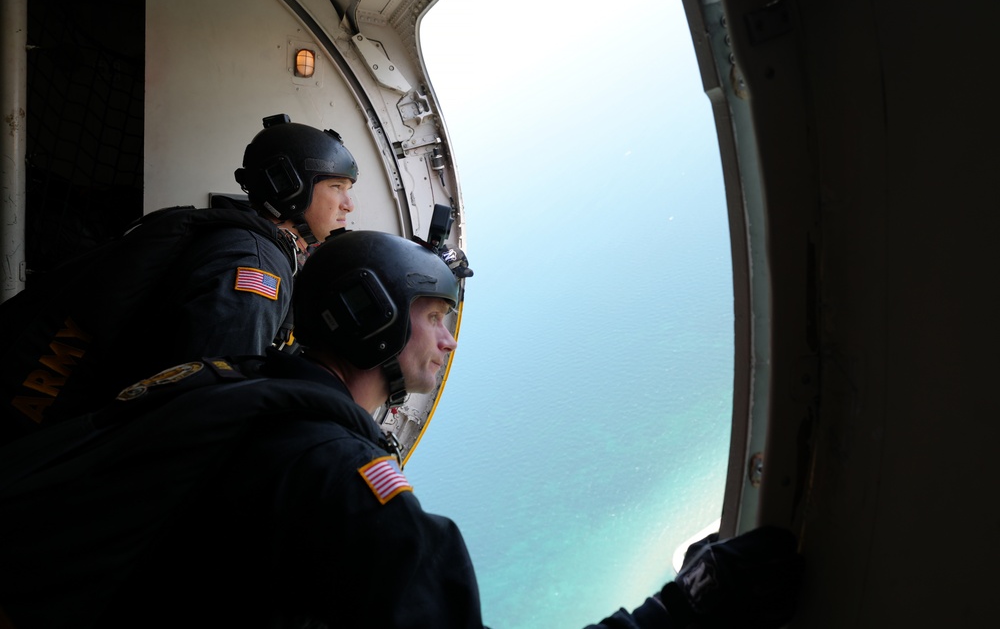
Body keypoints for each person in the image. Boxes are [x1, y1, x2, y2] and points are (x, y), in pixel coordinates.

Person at [0, 231, 800, 629]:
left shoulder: (226, 397)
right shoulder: (333, 473)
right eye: (436, 316)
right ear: (375, 315)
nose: (448, 341)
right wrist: (682, 610)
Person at [0, 113, 358, 443]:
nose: (348, 204)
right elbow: (212, 403)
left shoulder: (234, 237)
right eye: (336, 187)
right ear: (290, 186)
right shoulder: (257, 267)